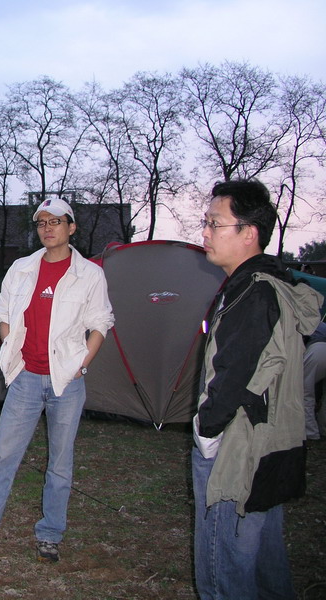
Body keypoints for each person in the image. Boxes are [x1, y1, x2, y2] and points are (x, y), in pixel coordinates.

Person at [0, 198, 114, 562]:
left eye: (56, 222)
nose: (48, 228)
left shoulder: (89, 274)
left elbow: (101, 322)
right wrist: (12, 349)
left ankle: (50, 534)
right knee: (2, 456)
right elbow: (4, 312)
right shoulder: (22, 268)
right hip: (25, 378)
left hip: (65, 382)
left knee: (60, 462)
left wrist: (81, 361)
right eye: (41, 223)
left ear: (71, 228)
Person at [193, 179, 323, 600]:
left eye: (215, 223)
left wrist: (205, 432)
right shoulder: (272, 285)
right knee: (264, 564)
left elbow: (231, 376)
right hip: (273, 443)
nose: (205, 232)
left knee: (224, 571)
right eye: (206, 222)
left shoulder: (253, 294)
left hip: (239, 452)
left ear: (249, 232)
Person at [303, 321, 326, 440]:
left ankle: (310, 432)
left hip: (319, 349)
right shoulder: (319, 323)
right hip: (320, 347)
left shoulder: (300, 320)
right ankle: (324, 429)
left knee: (304, 392)